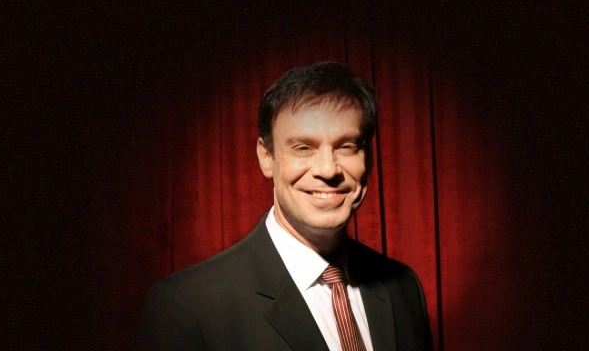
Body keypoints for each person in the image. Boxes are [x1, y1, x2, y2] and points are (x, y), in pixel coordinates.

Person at [132, 61, 433, 350]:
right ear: (266, 157)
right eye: (303, 148)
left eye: (347, 146)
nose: (328, 169)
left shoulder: (403, 287)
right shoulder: (187, 306)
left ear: (367, 156)